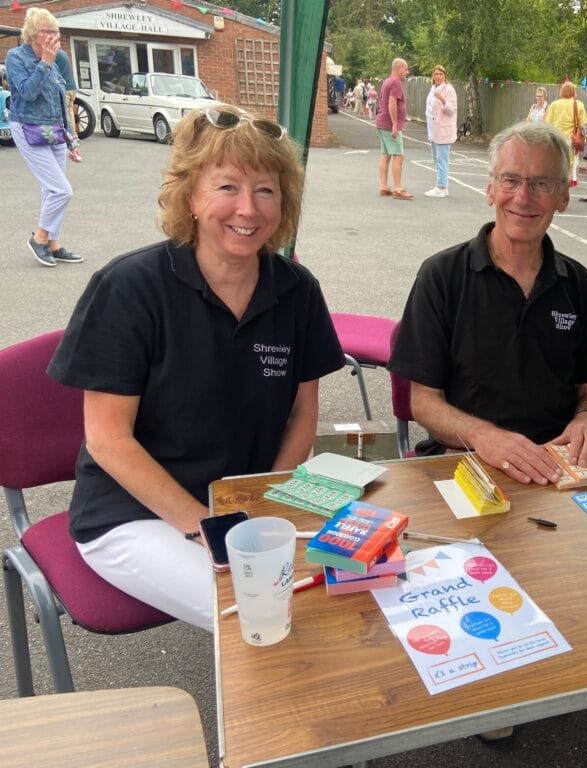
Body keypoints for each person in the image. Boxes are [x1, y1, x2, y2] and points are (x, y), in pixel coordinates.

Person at [46, 105, 345, 632]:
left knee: (356, 584)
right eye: (227, 187)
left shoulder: (297, 291)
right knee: (268, 613)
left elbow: (302, 413)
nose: (248, 210)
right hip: (132, 515)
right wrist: (208, 527)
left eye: (266, 190)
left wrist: (265, 503)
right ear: (190, 195)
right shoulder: (131, 288)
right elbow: (108, 441)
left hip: (244, 507)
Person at [389, 121, 587, 485]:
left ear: (563, 197)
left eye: (541, 183)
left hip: (559, 466)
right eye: (511, 180)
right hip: (463, 460)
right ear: (491, 189)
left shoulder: (581, 286)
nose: (523, 197)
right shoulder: (441, 276)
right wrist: (485, 437)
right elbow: (423, 401)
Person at [6, 8, 83, 268]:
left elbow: (60, 98)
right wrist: (45, 63)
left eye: (55, 32)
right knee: (62, 190)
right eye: (46, 31)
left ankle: (54, 244)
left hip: (54, 130)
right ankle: (39, 237)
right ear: (32, 34)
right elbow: (27, 93)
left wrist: (71, 139)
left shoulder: (58, 56)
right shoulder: (16, 56)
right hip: (27, 127)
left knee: (51, 189)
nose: (52, 36)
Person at [376, 60, 411, 199]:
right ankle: (398, 188)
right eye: (406, 69)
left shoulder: (387, 81)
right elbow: (392, 102)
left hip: (382, 122)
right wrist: (395, 125)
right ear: (399, 68)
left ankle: (384, 186)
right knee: (398, 155)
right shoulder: (396, 82)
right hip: (389, 125)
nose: (407, 72)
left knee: (385, 155)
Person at [544, 80, 587, 188]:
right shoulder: (579, 104)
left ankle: (554, 181)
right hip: (570, 139)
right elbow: (584, 124)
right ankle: (566, 184)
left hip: (555, 138)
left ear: (562, 91)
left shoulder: (554, 104)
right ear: (573, 91)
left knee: (555, 160)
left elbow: (547, 123)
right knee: (569, 162)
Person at [424, 64, 457, 199]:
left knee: (441, 159)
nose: (438, 76)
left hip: (444, 130)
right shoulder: (433, 88)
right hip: (433, 129)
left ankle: (441, 187)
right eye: (436, 74)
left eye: (440, 74)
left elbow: (452, 110)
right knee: (435, 159)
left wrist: (442, 100)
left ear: (444, 76)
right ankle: (442, 185)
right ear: (433, 76)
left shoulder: (448, 89)